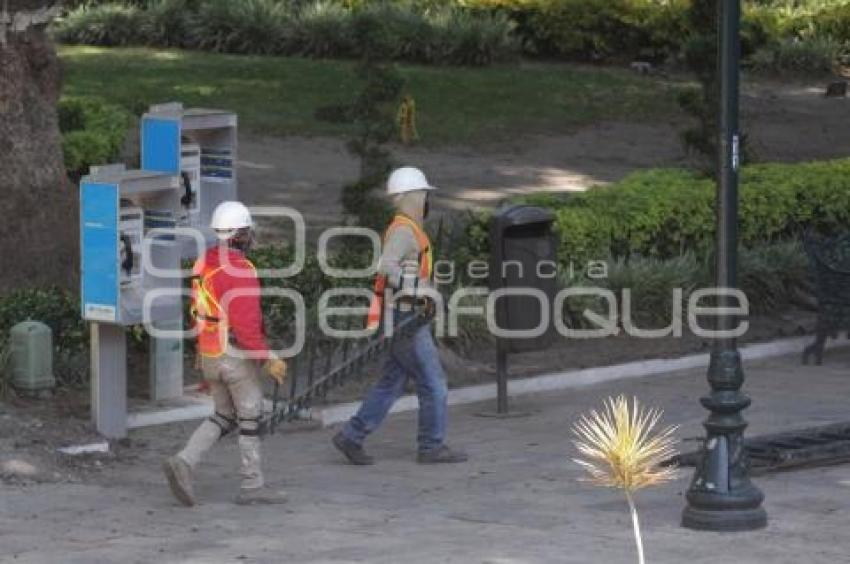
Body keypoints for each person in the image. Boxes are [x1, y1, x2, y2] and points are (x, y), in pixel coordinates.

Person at [332, 167, 467, 465]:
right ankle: (431, 446)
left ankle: (352, 436)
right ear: (411, 197)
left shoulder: (407, 229)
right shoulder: (405, 231)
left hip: (403, 315)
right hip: (406, 319)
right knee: (434, 384)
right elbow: (387, 267)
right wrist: (422, 290)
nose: (427, 199)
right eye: (424, 194)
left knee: (391, 382)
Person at [163, 201, 288, 506]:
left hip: (209, 353)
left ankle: (185, 460)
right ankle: (253, 485)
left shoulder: (203, 263)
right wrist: (267, 357)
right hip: (233, 355)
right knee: (250, 416)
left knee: (223, 415)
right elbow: (246, 326)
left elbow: (197, 313)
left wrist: (200, 357)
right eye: (248, 231)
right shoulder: (240, 270)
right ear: (241, 234)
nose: (251, 236)